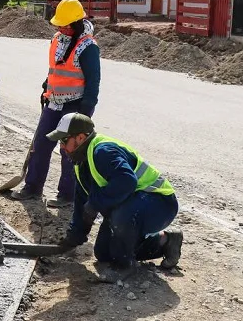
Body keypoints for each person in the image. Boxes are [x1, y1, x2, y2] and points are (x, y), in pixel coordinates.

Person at [48, 113, 183, 282]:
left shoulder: (103, 152)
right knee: (104, 253)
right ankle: (166, 241)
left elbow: (127, 182)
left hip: (159, 203)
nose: (61, 147)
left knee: (120, 216)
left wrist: (95, 203)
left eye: (64, 141)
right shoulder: (81, 163)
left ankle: (124, 266)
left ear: (80, 138)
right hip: (134, 204)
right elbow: (83, 203)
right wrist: (75, 236)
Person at [10, 0, 100, 208]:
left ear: (76, 23)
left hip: (75, 105)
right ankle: (32, 188)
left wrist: (85, 113)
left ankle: (67, 195)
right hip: (53, 101)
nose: (61, 29)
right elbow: (57, 69)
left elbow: (93, 82)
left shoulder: (88, 47)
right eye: (60, 25)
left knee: (69, 151)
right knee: (41, 144)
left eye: (65, 25)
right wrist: (47, 85)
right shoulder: (57, 39)